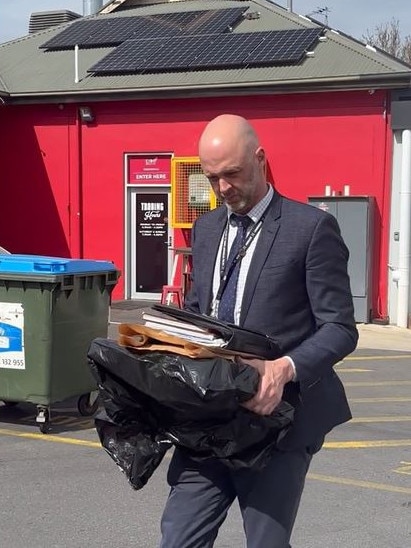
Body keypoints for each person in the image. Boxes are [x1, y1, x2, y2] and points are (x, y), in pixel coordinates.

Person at [159, 114, 358, 548]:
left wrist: (284, 369)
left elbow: (340, 328)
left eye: (232, 173)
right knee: (179, 537)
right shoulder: (208, 228)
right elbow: (201, 311)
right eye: (212, 178)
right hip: (211, 417)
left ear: (260, 159)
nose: (223, 188)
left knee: (266, 543)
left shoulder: (310, 229)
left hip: (278, 422)